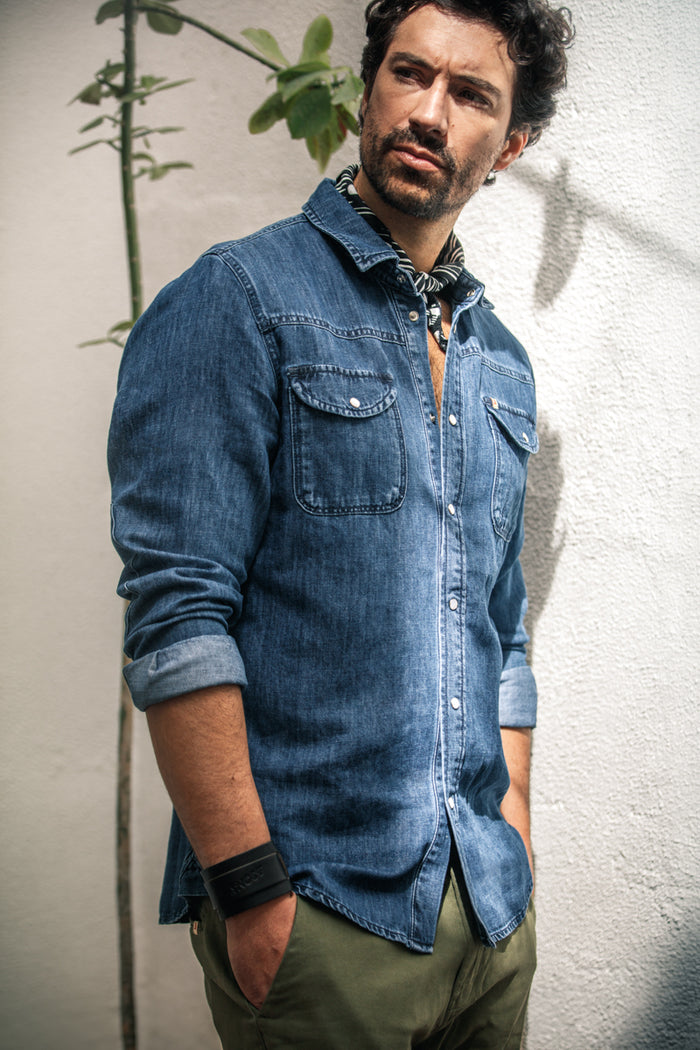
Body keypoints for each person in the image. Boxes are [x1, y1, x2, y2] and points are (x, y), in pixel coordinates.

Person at [108, 1, 573, 1046]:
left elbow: (501, 630)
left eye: (471, 94)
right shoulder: (238, 298)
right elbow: (177, 617)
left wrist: (514, 840)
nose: (428, 112)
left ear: (511, 145)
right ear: (368, 88)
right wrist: (250, 890)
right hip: (320, 912)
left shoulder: (501, 362)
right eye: (409, 73)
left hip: (488, 914)